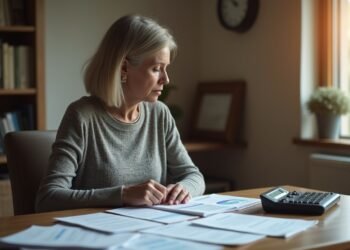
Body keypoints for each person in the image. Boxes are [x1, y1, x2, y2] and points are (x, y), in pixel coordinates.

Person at [35, 15, 205, 212]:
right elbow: (47, 198)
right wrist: (122, 195)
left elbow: (194, 176)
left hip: (151, 232)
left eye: (166, 69)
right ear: (124, 67)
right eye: (156, 69)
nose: (165, 79)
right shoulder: (81, 116)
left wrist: (183, 189)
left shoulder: (160, 114)